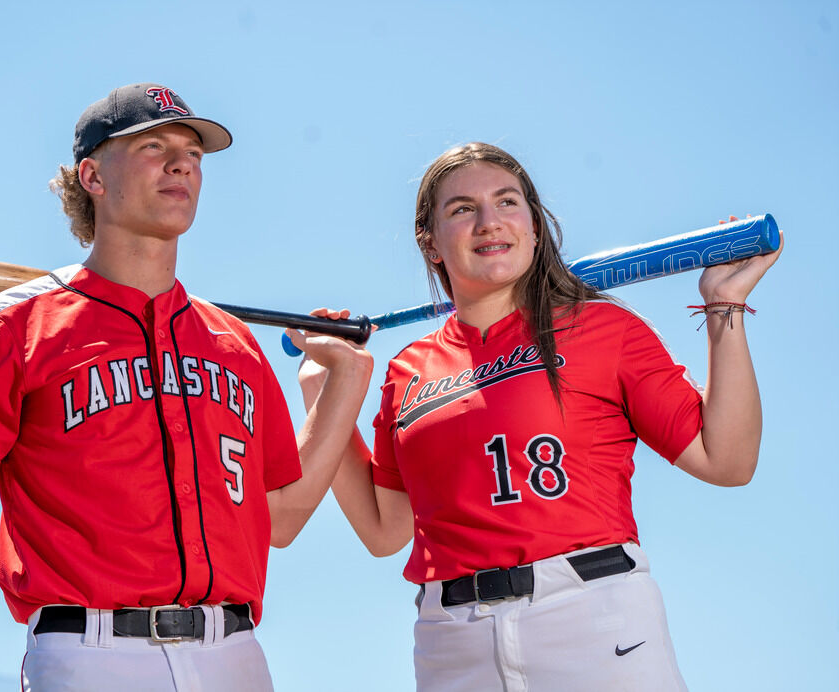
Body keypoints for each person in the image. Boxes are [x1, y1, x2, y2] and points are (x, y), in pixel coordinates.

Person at [0, 83, 372, 691]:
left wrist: (346, 385)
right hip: (92, 655)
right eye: (153, 145)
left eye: (193, 154)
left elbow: (278, 519)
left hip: (235, 654)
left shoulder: (233, 342)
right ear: (92, 176)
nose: (182, 164)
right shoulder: (21, 321)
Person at [293, 142, 781, 691]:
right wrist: (326, 391)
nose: (488, 222)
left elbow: (729, 460)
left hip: (593, 618)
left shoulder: (604, 330)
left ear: (533, 224)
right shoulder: (410, 369)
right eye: (461, 209)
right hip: (453, 639)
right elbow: (385, 531)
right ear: (430, 243)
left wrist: (724, 305)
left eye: (507, 202)